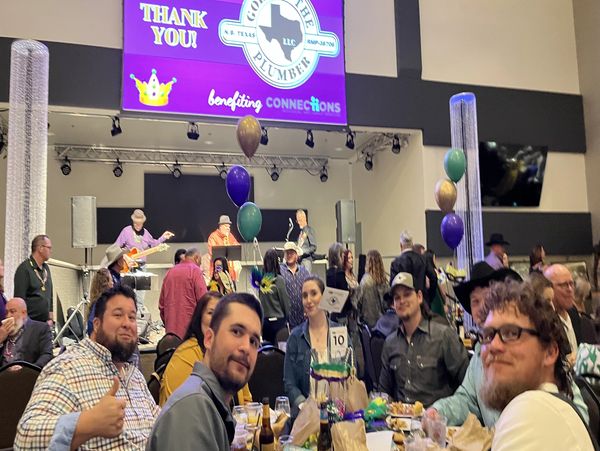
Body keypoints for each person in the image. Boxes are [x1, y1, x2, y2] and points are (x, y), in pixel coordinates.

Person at [429, 262, 588, 427]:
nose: (483, 307)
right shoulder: (480, 353)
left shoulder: (536, 350)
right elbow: (468, 399)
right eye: (475, 301)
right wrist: (438, 411)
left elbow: (577, 414)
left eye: (510, 333)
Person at [15, 285, 159, 449]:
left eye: (132, 317)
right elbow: (25, 439)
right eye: (118, 315)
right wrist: (89, 422)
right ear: (96, 324)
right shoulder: (68, 367)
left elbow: (161, 426)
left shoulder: (135, 376)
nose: (127, 323)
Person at [478, 280, 595, 450]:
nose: (493, 346)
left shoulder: (530, 411)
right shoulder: (552, 409)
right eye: (488, 335)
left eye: (511, 333)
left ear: (550, 352)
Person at [147, 293, 263, 450]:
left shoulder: (213, 403)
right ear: (209, 339)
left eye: (253, 341)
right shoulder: (191, 410)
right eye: (236, 332)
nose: (246, 348)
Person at [379, 272, 469, 406]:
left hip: (438, 416)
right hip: (399, 417)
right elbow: (384, 393)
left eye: (407, 294)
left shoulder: (443, 336)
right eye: (397, 298)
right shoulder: (390, 343)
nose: (402, 301)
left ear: (419, 297)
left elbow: (467, 387)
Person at [159, 291, 253, 407]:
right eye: (211, 313)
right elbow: (184, 407)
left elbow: (247, 402)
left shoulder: (234, 355)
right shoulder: (185, 355)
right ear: (199, 318)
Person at [284, 276, 341, 415]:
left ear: (324, 296)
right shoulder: (295, 338)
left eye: (313, 293)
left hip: (338, 413)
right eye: (304, 296)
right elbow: (289, 383)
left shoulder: (340, 333)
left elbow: (350, 374)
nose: (308, 300)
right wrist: (305, 407)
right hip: (306, 415)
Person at [544, 264, 597, 357]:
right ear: (549, 289)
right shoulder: (546, 322)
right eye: (563, 285)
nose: (570, 289)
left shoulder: (573, 313)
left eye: (571, 284)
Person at [159, 248, 208, 339]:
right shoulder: (195, 271)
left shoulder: (170, 273)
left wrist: (168, 324)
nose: (200, 265)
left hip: (171, 333)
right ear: (197, 258)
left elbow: (162, 306)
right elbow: (203, 301)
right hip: (190, 333)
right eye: (200, 262)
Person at [0, 297, 53, 368]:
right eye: (6, 312)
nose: (8, 316)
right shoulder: (2, 330)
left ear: (24, 313)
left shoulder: (40, 328)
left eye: (12, 312)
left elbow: (47, 355)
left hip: (28, 372)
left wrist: (29, 369)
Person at [389, 231, 438, 307]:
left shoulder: (396, 263)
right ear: (412, 244)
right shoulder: (423, 259)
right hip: (422, 302)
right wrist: (429, 297)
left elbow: (393, 285)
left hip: (405, 304)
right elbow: (433, 277)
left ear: (401, 245)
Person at [13, 234, 54, 325]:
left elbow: (50, 294)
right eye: (49, 248)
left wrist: (51, 317)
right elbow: (19, 299)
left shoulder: (46, 269)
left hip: (45, 324)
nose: (51, 251)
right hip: (30, 323)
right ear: (41, 248)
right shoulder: (24, 269)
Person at [258, 249, 291, 344]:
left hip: (265, 323)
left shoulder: (261, 281)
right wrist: (287, 317)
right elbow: (285, 303)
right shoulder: (279, 280)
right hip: (278, 323)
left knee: (267, 351)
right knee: (281, 350)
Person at [280, 241, 310, 328]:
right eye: (287, 253)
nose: (289, 255)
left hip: (303, 316)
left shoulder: (304, 271)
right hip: (286, 318)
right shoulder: (279, 271)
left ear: (296, 255)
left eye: (292, 253)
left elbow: (309, 290)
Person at [359, 250, 389, 329]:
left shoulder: (365, 281)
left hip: (369, 323)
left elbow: (359, 303)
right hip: (383, 323)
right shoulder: (384, 281)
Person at [207, 215, 241, 281]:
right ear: (221, 226)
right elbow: (213, 253)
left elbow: (236, 246)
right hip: (218, 270)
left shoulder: (230, 235)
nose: (228, 228)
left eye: (229, 227)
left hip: (230, 272)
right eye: (226, 226)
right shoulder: (213, 237)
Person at [86, 268, 113, 334]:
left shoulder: (96, 303)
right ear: (105, 284)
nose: (113, 283)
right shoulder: (102, 305)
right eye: (111, 281)